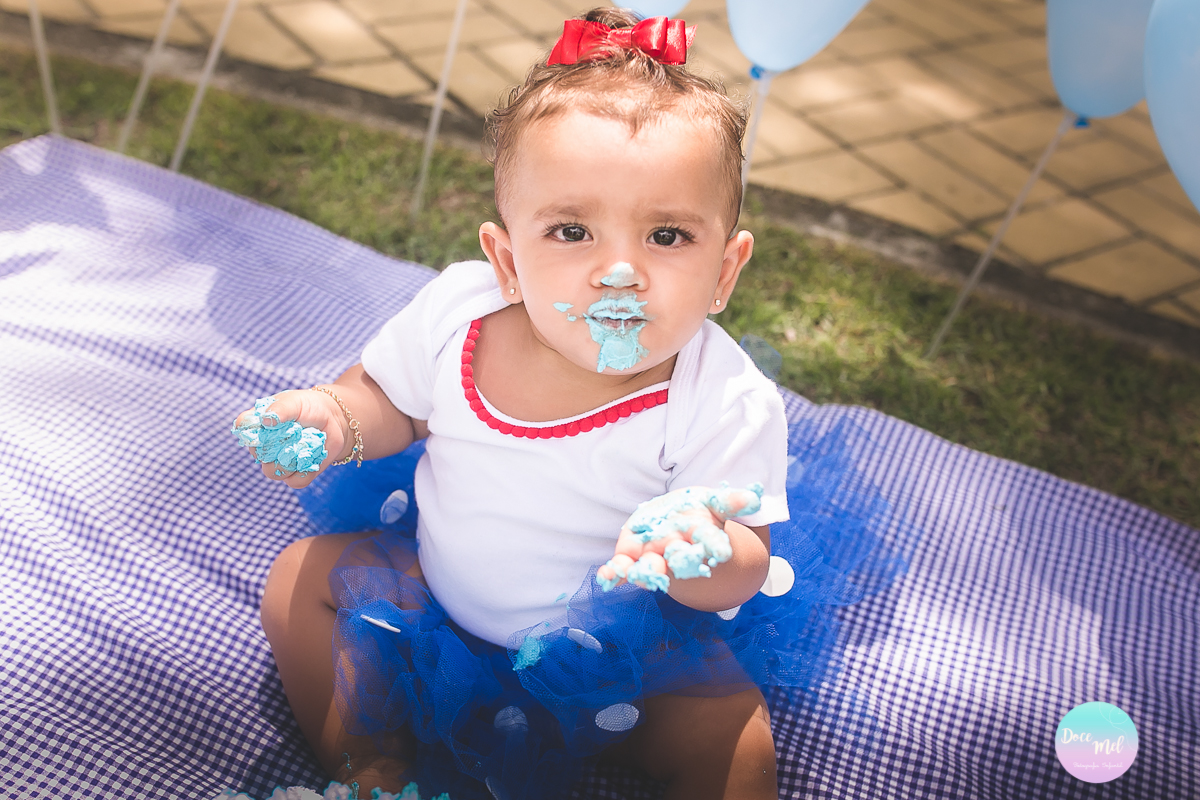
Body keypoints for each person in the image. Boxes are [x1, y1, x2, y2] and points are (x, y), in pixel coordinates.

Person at [243, 9, 888, 800]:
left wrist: (704, 551)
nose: (619, 271)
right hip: (440, 600)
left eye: (667, 237)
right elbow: (386, 402)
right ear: (507, 261)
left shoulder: (722, 396)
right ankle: (371, 768)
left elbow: (744, 564)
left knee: (729, 727)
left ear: (725, 270)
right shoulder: (461, 316)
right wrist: (334, 420)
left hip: (623, 650)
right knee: (299, 580)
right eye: (573, 231)